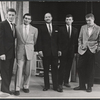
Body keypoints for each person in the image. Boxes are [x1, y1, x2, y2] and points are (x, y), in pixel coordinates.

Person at [74, 13, 100, 92]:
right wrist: (80, 46)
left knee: (90, 68)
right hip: (83, 50)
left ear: (93, 19)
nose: (88, 22)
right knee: (80, 67)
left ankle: (89, 86)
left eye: (89, 20)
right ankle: (81, 85)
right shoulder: (83, 27)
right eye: (87, 20)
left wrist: (97, 48)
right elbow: (79, 38)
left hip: (92, 50)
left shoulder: (98, 28)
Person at [14, 13, 38, 96]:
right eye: (25, 18)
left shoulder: (34, 29)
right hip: (20, 51)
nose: (27, 20)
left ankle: (26, 86)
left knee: (28, 70)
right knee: (19, 70)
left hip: (29, 51)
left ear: (31, 20)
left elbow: (35, 41)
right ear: (23, 19)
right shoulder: (17, 28)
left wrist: (30, 48)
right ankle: (17, 88)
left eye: (28, 19)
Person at [37, 13, 59, 91]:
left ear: (51, 18)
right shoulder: (41, 28)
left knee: (55, 69)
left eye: (49, 17)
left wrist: (59, 50)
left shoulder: (56, 28)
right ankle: (46, 86)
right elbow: (39, 39)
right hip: (45, 52)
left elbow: (58, 41)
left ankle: (56, 86)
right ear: (44, 18)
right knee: (45, 70)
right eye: (46, 17)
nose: (47, 18)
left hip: (54, 52)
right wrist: (39, 50)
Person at [57, 14, 78, 92]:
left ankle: (66, 81)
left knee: (69, 67)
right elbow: (58, 41)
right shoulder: (61, 29)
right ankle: (60, 83)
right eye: (67, 19)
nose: (68, 21)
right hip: (63, 51)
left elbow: (76, 42)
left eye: (70, 19)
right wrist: (59, 50)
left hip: (71, 52)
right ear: (65, 20)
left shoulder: (75, 30)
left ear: (72, 20)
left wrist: (75, 52)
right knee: (62, 67)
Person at [0, 8, 16, 94]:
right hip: (4, 53)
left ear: (15, 16)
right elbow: (0, 40)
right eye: (9, 15)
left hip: (12, 53)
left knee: (9, 71)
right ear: (6, 15)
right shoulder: (2, 24)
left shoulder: (14, 25)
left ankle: (6, 88)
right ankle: (5, 89)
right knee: (5, 71)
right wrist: (1, 53)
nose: (11, 16)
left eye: (13, 15)